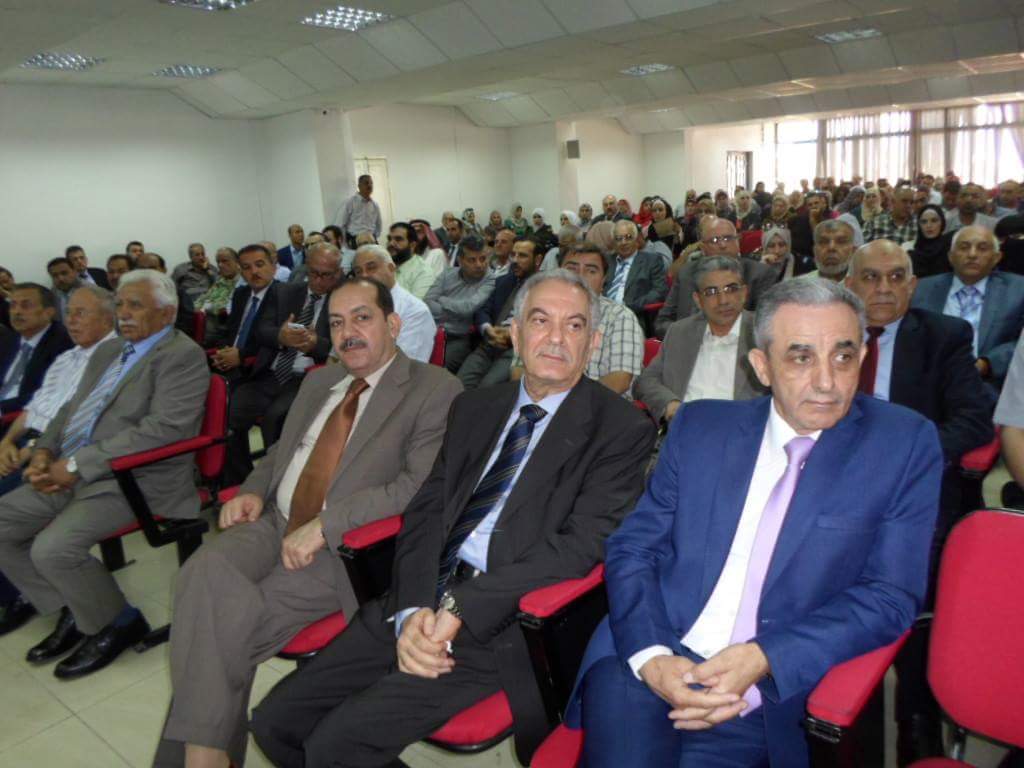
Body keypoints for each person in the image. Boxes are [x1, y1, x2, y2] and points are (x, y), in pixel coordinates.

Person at [250, 269, 656, 768]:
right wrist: (414, 606)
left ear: (593, 343)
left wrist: (461, 608)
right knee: (276, 724)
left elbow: (579, 548)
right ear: (515, 332)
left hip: (502, 622)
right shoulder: (475, 407)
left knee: (336, 745)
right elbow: (427, 512)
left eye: (574, 326)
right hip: (418, 595)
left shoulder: (621, 430)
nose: (556, 338)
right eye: (540, 321)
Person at [570, 278, 944, 768]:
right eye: (801, 357)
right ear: (762, 366)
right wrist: (652, 657)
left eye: (843, 356)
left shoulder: (902, 445)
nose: (827, 381)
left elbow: (890, 596)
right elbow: (634, 548)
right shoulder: (701, 427)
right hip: (648, 650)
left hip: (768, 688)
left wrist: (764, 656)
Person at [154, 278, 462, 768]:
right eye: (336, 323)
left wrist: (324, 525)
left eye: (362, 317)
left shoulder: (434, 388)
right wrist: (253, 490)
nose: (347, 332)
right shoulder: (320, 381)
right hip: (272, 521)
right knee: (200, 574)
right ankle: (207, 754)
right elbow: (282, 451)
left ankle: (202, 758)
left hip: (343, 549)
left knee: (216, 630)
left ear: (393, 324)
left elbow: (416, 486)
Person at [0, 270, 209, 679]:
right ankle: (73, 608)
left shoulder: (181, 355)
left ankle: (117, 622)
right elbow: (71, 409)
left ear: (167, 314)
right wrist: (44, 451)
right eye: (120, 304)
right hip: (76, 467)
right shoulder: (109, 350)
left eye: (136, 305)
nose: (123, 313)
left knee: (51, 549)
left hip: (135, 478)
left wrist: (76, 464)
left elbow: (165, 428)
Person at [844, 240, 994, 762]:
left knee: (909, 583)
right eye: (870, 277)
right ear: (849, 285)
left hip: (915, 484)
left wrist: (907, 459)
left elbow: (973, 422)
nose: (883, 288)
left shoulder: (944, 336)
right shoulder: (829, 334)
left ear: (912, 284)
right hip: (836, 482)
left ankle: (917, 718)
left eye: (895, 277)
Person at [0, 285, 117, 635]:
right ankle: (50, 599)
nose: (72, 321)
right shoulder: (67, 359)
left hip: (62, 456)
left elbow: (84, 424)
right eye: (70, 313)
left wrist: (31, 450)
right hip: (32, 445)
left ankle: (25, 595)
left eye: (81, 313)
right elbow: (33, 409)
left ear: (108, 318)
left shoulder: (115, 358)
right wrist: (7, 441)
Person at [223, 244, 341, 486]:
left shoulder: (343, 300)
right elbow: (261, 330)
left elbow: (342, 346)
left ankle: (279, 484)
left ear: (338, 273)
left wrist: (315, 344)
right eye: (314, 273)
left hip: (306, 377)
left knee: (275, 418)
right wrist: (281, 335)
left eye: (326, 275)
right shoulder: (285, 292)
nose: (318, 281)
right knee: (227, 414)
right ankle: (242, 483)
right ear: (306, 268)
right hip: (271, 373)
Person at [636, 257, 766, 424]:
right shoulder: (679, 332)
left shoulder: (764, 334)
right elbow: (646, 380)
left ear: (744, 293)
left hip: (742, 431)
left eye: (731, 289)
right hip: (684, 428)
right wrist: (671, 405)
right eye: (711, 292)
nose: (723, 300)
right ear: (698, 300)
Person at [512, 243, 644, 398]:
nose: (580, 276)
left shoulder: (620, 316)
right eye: (572, 269)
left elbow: (620, 380)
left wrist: (561, 404)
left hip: (597, 406)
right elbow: (518, 369)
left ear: (603, 280)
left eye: (591, 271)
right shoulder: (538, 309)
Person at [912, 226, 1024, 389]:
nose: (972, 254)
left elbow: (1021, 342)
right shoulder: (921, 289)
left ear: (996, 257)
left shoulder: (1018, 290)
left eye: (982, 248)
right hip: (929, 383)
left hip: (990, 387)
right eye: (964, 247)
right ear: (950, 256)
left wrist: (986, 364)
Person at [655, 218, 775, 339]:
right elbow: (661, 322)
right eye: (715, 240)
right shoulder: (686, 273)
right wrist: (688, 334)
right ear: (703, 248)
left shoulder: (759, 274)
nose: (723, 245)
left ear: (738, 242)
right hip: (687, 344)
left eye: (728, 238)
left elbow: (765, 323)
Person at [457, 237, 541, 389]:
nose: (515, 260)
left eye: (522, 256)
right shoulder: (503, 281)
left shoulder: (546, 289)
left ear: (538, 260)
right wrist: (487, 328)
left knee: (488, 389)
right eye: (513, 255)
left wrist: (511, 334)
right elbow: (483, 309)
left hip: (516, 350)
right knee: (459, 385)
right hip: (491, 342)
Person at [350, 245, 436, 363]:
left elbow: (405, 364)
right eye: (358, 272)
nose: (364, 276)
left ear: (391, 268)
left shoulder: (415, 311)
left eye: (371, 268)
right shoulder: (355, 306)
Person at [206, 244, 279, 382]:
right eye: (246, 267)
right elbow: (228, 330)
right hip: (229, 361)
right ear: (241, 272)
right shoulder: (240, 294)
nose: (254, 271)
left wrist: (240, 355)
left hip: (257, 366)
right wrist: (223, 351)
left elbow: (276, 340)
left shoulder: (283, 295)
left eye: (259, 264)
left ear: (273, 267)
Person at [423, 235, 496, 372]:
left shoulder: (490, 279)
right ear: (460, 261)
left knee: (435, 372)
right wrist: (456, 314)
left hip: (458, 338)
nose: (479, 265)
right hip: (430, 331)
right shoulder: (447, 274)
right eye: (472, 260)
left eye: (483, 259)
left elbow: (468, 309)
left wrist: (442, 299)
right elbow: (427, 302)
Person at [0, 284, 73, 415]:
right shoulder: (8, 340)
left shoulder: (64, 343)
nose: (17, 312)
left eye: (26, 305)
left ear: (49, 312)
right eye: (13, 305)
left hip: (26, 416)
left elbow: (46, 394)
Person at [604, 220, 667, 317]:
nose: (623, 242)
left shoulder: (652, 261)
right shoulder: (607, 261)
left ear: (636, 239)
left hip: (633, 314)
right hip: (603, 313)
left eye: (628, 237)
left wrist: (630, 307)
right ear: (614, 242)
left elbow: (660, 291)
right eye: (618, 239)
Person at [388, 222, 436, 299]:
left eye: (398, 239)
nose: (391, 243)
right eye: (389, 239)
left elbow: (416, 305)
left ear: (412, 245)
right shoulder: (385, 267)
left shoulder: (423, 272)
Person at [905, 204, 954, 279]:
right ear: (919, 225)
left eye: (934, 221)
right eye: (924, 222)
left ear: (942, 223)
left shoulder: (950, 248)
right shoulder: (912, 255)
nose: (929, 225)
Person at [337, 174, 383, 248]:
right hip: (355, 240)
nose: (369, 185)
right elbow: (342, 224)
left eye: (371, 183)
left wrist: (374, 237)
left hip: (371, 240)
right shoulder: (350, 202)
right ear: (359, 186)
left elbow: (379, 225)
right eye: (366, 183)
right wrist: (345, 244)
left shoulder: (375, 205)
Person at [47, 257, 81, 323]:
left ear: (75, 272)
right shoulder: (51, 295)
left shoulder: (90, 291)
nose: (60, 279)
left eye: (64, 273)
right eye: (55, 275)